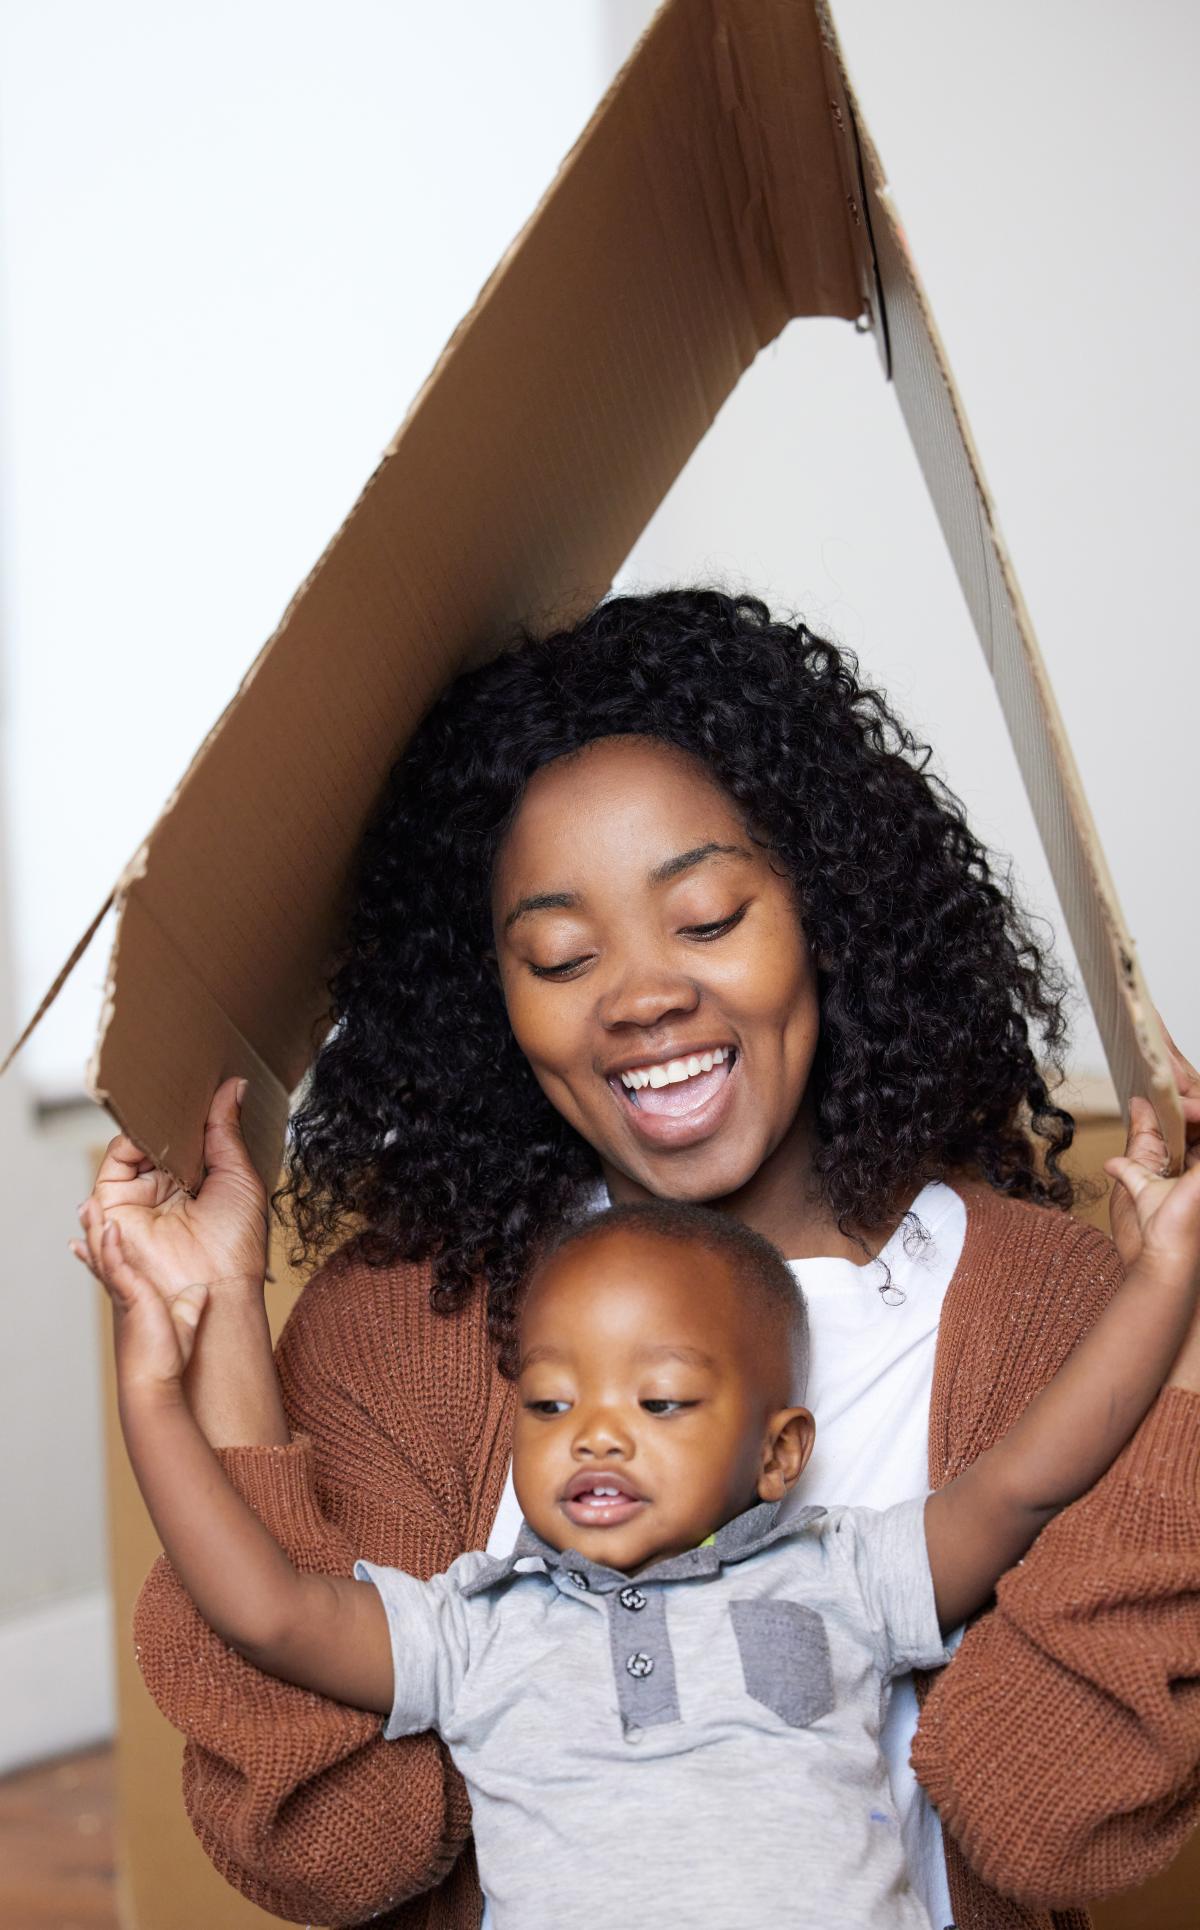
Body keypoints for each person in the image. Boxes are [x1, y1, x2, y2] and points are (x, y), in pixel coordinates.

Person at [74, 592, 1200, 1930]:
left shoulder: (1052, 1310)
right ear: (490, 994)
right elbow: (338, 1847)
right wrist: (214, 1337)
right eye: (560, 955)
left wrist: (1184, 1318)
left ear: (827, 911)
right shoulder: (403, 1322)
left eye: (708, 917)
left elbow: (1052, 1815)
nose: (643, 995)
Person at [95, 1160, 1200, 1930]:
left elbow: (1026, 1483)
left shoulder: (847, 1573)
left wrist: (1164, 1276)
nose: (596, 1433)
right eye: (550, 1403)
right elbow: (267, 1611)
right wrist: (150, 1394)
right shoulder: (476, 1623)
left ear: (781, 1454)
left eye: (660, 1401)